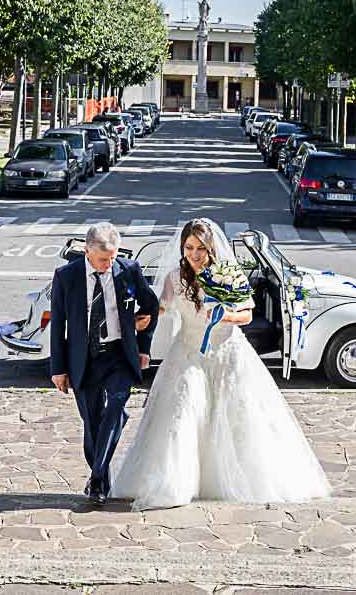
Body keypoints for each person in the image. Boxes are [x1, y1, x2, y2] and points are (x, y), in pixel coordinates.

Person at [110, 218, 331, 510]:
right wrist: (143, 316)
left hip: (227, 351)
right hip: (188, 351)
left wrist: (224, 316)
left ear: (211, 248)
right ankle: (176, 481)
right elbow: (162, 306)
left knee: (235, 413)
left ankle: (228, 477)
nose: (194, 253)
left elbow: (247, 316)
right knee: (182, 408)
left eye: (200, 248)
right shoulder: (175, 277)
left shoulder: (228, 274)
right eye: (189, 247)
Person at [48, 222, 160, 505]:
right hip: (83, 359)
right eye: (102, 259)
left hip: (119, 355)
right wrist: (58, 369)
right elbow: (58, 325)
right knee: (92, 423)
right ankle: (101, 479)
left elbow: (151, 306)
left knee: (115, 405)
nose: (109, 263)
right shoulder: (66, 276)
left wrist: (143, 346)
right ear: (87, 252)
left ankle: (97, 479)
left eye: (112, 257)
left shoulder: (128, 270)